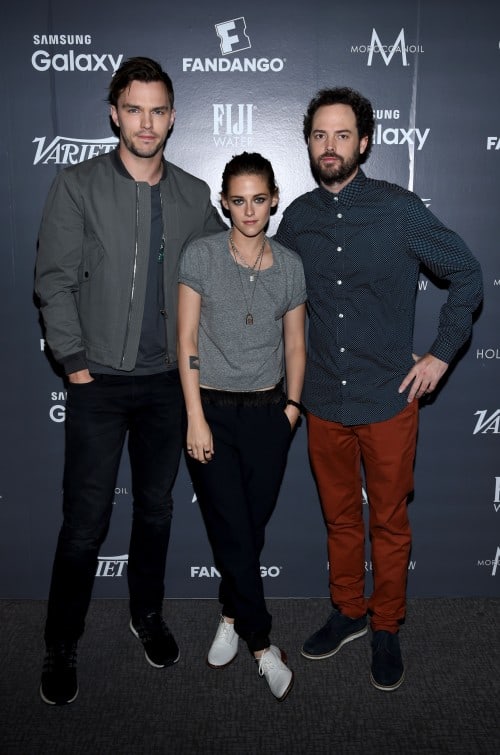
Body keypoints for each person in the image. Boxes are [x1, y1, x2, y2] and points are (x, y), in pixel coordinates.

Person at [275, 87, 483, 691]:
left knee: (388, 522)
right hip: (324, 402)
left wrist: (441, 355)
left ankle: (387, 624)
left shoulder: (398, 208)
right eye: (319, 135)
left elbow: (467, 274)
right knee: (340, 519)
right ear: (309, 144)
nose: (330, 146)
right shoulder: (299, 218)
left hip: (389, 399)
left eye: (342, 135)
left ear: (365, 142)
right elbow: (274, 296)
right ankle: (348, 612)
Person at [35, 56, 226, 706]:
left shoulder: (195, 195)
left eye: (159, 109)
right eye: (134, 109)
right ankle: (60, 640)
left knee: (157, 510)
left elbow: (223, 271)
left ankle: (147, 614)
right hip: (99, 384)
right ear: (116, 112)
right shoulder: (78, 184)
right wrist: (73, 357)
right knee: (85, 521)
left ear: (173, 117)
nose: (147, 122)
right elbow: (52, 278)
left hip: (167, 384)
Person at [177, 152, 306, 701]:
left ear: (273, 199)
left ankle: (230, 614)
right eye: (238, 200)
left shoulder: (292, 265)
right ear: (224, 203)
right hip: (211, 415)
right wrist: (195, 418)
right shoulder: (202, 256)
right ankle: (262, 645)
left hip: (268, 415)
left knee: (247, 531)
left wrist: (292, 409)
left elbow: (296, 343)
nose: (249, 209)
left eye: (259, 198)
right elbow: (185, 343)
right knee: (231, 526)